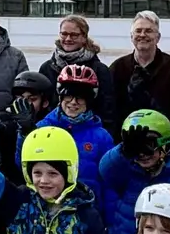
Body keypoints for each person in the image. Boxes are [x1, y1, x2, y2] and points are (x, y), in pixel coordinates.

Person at [35, 65, 115, 205]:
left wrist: (108, 221)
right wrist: (23, 133)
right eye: (68, 95)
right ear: (60, 97)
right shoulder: (43, 128)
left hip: (88, 209)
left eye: (80, 97)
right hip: (51, 208)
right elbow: (23, 165)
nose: (73, 102)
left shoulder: (102, 137)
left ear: (89, 100)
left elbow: (110, 183)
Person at [111, 12, 170, 137]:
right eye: (138, 31)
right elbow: (110, 109)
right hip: (126, 140)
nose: (142, 35)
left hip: (167, 140)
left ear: (158, 37)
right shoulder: (117, 68)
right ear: (131, 36)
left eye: (148, 31)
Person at [37, 15, 117, 130]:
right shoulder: (47, 68)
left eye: (74, 35)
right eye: (64, 34)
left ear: (84, 37)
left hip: (88, 133)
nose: (68, 39)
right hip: (53, 131)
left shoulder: (100, 70)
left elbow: (107, 109)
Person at [0, 71, 56, 186]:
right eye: (20, 98)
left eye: (32, 100)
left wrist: (28, 129)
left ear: (45, 102)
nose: (24, 104)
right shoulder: (5, 125)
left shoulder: (50, 127)